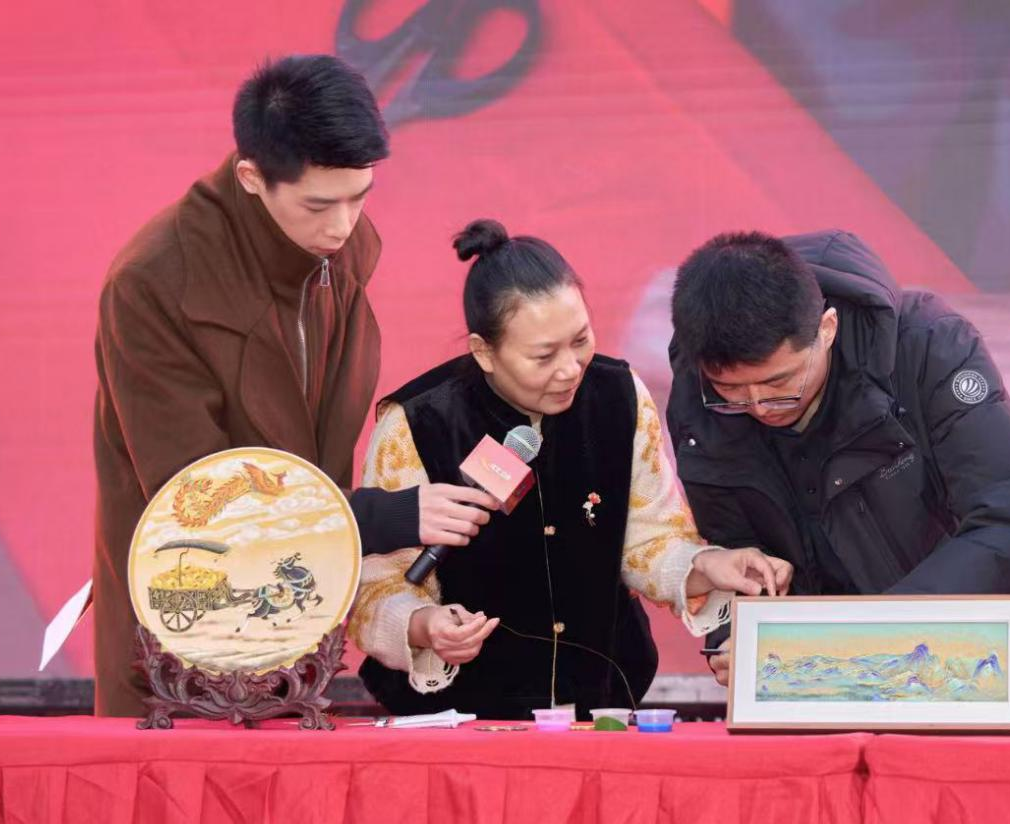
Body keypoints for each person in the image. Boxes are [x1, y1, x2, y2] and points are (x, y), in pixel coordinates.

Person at [92, 55, 495, 717]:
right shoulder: (153, 283)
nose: (343, 225)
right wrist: (379, 517)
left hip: (296, 619)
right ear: (251, 177)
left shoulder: (341, 249)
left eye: (359, 196)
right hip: (182, 633)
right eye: (318, 204)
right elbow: (194, 499)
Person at [665, 229, 1010, 724]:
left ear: (827, 328)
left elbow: (1009, 524)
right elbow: (737, 553)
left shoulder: (927, 346)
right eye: (732, 391)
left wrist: (862, 638)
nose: (759, 406)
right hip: (826, 696)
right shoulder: (700, 400)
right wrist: (737, 643)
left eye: (781, 382)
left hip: (985, 676)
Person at [349, 219, 793, 719]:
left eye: (580, 340)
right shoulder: (419, 423)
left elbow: (649, 538)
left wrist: (706, 565)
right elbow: (378, 585)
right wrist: (422, 624)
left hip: (600, 706)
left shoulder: (619, 396)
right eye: (543, 356)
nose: (570, 369)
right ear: (484, 352)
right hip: (461, 718)